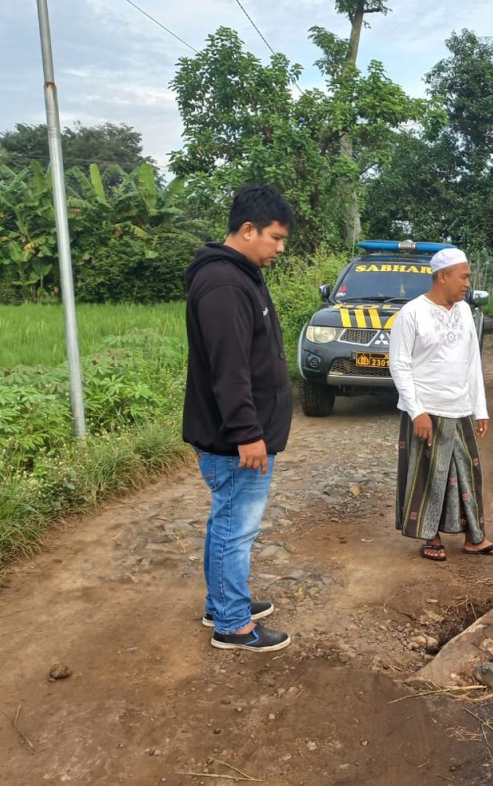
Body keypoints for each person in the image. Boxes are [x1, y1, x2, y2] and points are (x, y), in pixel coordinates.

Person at [183, 185, 295, 652]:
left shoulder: (238, 276)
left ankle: (222, 602)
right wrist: (248, 433)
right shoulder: (225, 284)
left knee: (226, 521)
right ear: (247, 230)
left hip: (237, 437)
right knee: (236, 526)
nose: (280, 248)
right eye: (275, 237)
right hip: (236, 443)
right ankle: (232, 624)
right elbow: (231, 370)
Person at [389, 247, 493, 562]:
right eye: (463, 277)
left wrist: (480, 408)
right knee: (431, 476)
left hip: (461, 409)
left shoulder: (463, 312)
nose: (467, 284)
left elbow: (473, 362)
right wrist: (416, 411)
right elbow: (399, 365)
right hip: (427, 411)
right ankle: (431, 536)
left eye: (468, 277)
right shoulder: (412, 313)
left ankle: (475, 538)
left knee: (467, 474)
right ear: (442, 276)